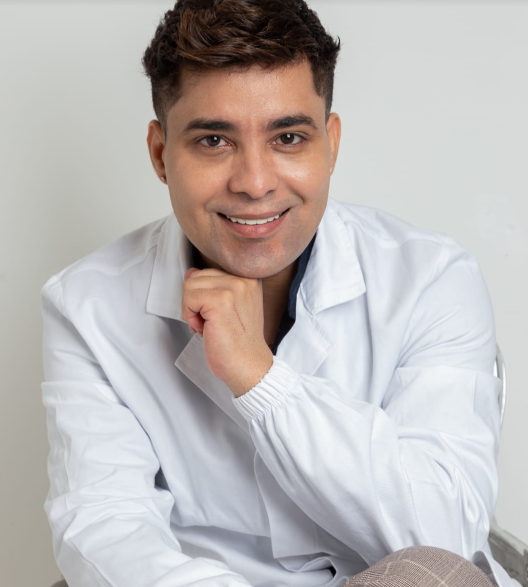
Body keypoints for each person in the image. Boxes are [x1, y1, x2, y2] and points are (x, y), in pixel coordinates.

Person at [41, 1, 512, 586]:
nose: (255, 183)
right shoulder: (86, 305)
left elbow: (444, 535)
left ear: (330, 144)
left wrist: (261, 381)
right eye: (214, 140)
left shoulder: (432, 277)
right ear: (161, 155)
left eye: (288, 137)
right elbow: (106, 527)